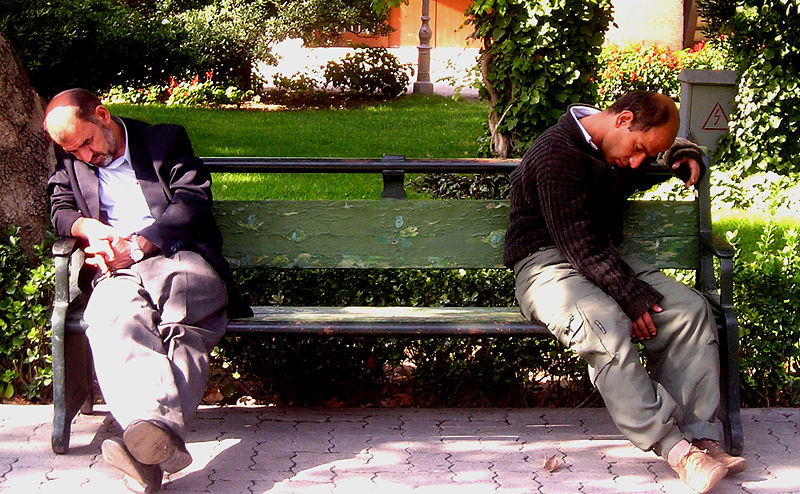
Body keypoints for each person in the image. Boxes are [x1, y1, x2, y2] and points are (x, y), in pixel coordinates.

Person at [504, 91, 747, 493]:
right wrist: (630, 297)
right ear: (623, 119)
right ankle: (677, 451)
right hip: (546, 265)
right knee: (603, 326)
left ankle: (702, 438)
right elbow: (578, 244)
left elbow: (646, 155)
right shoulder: (555, 153)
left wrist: (677, 153)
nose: (637, 163)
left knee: (689, 310)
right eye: (638, 149)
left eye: (646, 155)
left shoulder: (612, 146)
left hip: (601, 258)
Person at [45, 88, 250, 492]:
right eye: (74, 151)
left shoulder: (163, 141)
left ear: (102, 115)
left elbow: (193, 200)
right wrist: (89, 228)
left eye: (87, 143)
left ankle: (146, 446)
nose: (85, 156)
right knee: (112, 320)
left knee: (182, 323)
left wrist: (139, 246)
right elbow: (60, 208)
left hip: (179, 258)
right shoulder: (71, 158)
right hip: (116, 271)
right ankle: (153, 444)